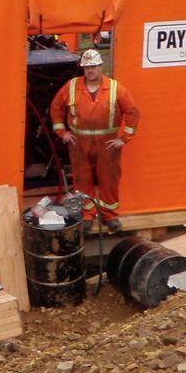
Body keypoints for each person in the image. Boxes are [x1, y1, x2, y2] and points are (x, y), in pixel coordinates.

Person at [49, 47, 138, 233]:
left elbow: (132, 111)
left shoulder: (115, 88)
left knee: (109, 179)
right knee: (82, 179)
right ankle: (87, 214)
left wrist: (123, 139)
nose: (90, 71)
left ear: (100, 67)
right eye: (87, 67)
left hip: (107, 143)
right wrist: (62, 133)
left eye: (94, 67)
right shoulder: (71, 87)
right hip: (79, 143)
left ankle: (110, 215)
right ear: (83, 69)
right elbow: (56, 107)